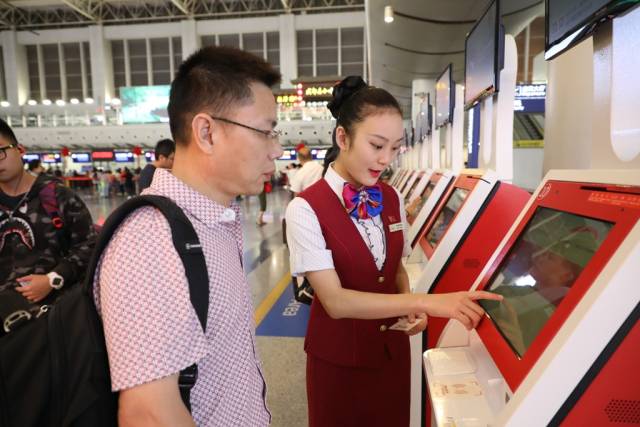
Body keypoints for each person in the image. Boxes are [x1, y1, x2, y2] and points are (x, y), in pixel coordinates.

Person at [285, 76, 502, 427]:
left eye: (395, 147)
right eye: (376, 145)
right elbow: (336, 302)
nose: (386, 159)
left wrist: (408, 299)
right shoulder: (305, 209)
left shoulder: (391, 197)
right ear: (343, 137)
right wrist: (425, 302)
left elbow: (395, 265)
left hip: (393, 356)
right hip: (340, 365)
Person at [94, 46, 282, 426]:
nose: (276, 148)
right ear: (206, 132)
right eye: (265, 131)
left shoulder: (213, 221)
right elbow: (149, 414)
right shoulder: (150, 239)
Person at [0, 119, 96, 322]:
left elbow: (90, 246)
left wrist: (53, 279)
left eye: (1, 152)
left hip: (55, 316)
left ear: (19, 149)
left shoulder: (56, 195)